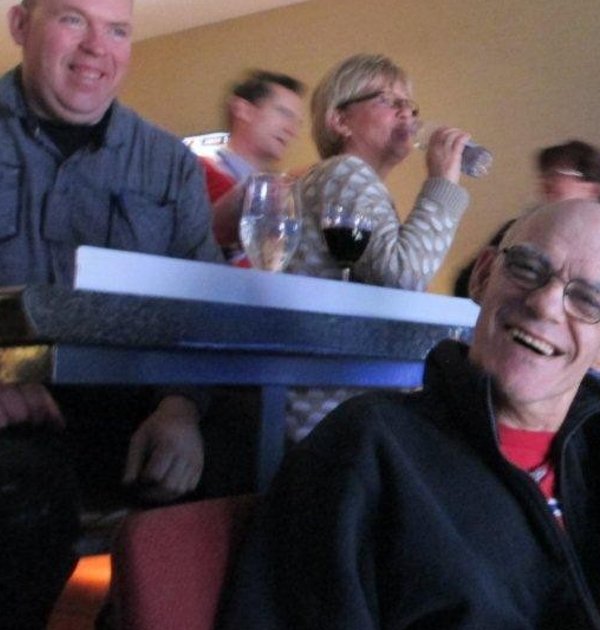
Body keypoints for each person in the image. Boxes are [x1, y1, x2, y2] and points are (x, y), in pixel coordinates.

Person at [219, 9, 600, 628]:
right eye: (528, 268)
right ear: (483, 276)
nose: (546, 303)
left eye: (587, 299)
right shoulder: (367, 450)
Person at [0, 0, 223, 625]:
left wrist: (181, 406)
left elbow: (202, 303)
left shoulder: (170, 165)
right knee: (20, 495)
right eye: (73, 19)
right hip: (14, 416)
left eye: (117, 30)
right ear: (21, 25)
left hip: (134, 416)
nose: (98, 47)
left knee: (273, 473)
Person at [278, 54, 476, 440]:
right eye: (387, 100)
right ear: (340, 120)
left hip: (334, 397)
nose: (407, 113)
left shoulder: (346, 179)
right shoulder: (344, 170)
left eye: (410, 105)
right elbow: (401, 274)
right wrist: (443, 184)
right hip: (330, 410)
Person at [451, 139, 600, 299]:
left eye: (559, 173)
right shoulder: (519, 229)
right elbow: (465, 285)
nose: (547, 180)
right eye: (546, 173)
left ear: (592, 190)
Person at [202, 69, 305, 267]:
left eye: (296, 122)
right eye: (284, 113)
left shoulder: (287, 197)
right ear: (243, 110)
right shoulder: (198, 174)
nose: (292, 130)